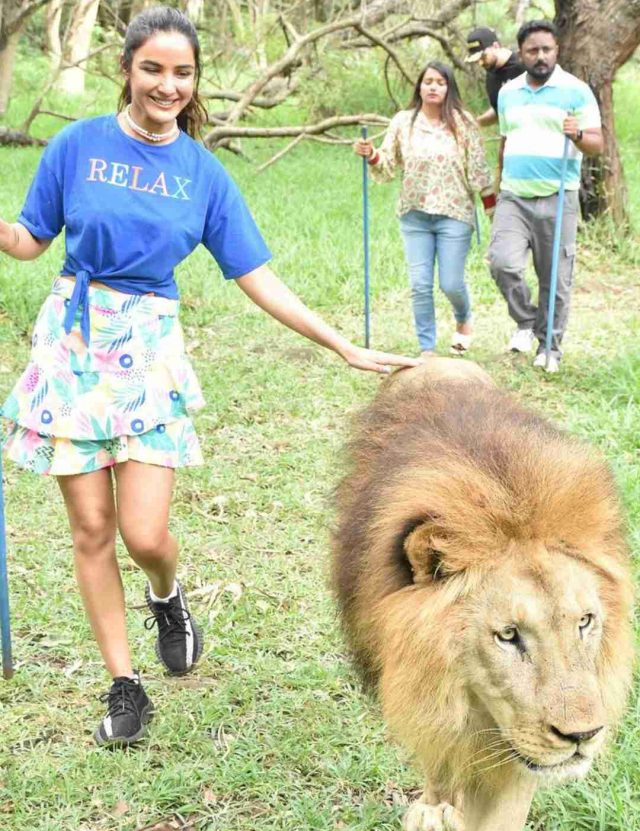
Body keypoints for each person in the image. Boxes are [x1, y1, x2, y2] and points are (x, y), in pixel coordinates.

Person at [0, 6, 418, 747]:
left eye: (182, 72)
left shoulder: (200, 173)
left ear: (195, 83)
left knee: (144, 530)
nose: (167, 84)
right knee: (91, 528)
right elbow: (29, 242)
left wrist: (341, 345)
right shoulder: (75, 145)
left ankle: (167, 595)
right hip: (73, 343)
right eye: (152, 68)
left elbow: (257, 276)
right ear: (126, 70)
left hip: (149, 349)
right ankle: (125, 683)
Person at [354, 61, 495, 359]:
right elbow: (388, 163)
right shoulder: (404, 122)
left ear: (449, 88)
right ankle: (426, 348)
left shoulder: (463, 122)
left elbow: (479, 170)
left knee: (451, 283)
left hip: (455, 214)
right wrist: (371, 156)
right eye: (428, 81)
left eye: (440, 82)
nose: (433, 86)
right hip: (414, 214)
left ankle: (464, 316)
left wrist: (493, 210)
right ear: (419, 86)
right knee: (419, 285)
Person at [488, 19, 603, 373]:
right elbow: (505, 142)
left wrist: (578, 133)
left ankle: (549, 347)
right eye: (532, 50)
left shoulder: (576, 91)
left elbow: (597, 145)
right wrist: (498, 186)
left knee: (555, 277)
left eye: (546, 49)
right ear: (520, 53)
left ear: (557, 51)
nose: (540, 56)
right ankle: (528, 320)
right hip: (514, 196)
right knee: (502, 263)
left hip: (557, 195)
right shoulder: (508, 92)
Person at [464, 26, 524, 127]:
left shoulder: (523, 66)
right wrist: (475, 123)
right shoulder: (491, 76)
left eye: (483, 57)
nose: (480, 63)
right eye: (476, 60)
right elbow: (499, 111)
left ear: (495, 46)